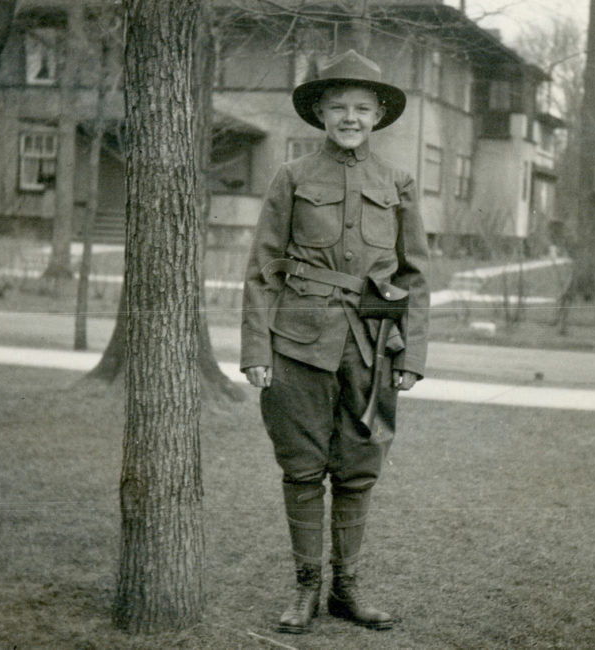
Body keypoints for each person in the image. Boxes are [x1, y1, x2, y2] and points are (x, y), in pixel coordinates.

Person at [240, 49, 429, 634]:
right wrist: (256, 350)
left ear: (378, 116)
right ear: (320, 112)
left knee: (358, 469)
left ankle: (348, 589)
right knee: (301, 469)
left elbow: (413, 275)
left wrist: (412, 356)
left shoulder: (397, 182)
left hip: (372, 348)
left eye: (362, 108)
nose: (350, 117)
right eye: (339, 106)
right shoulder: (291, 176)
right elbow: (262, 267)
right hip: (296, 340)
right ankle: (306, 590)